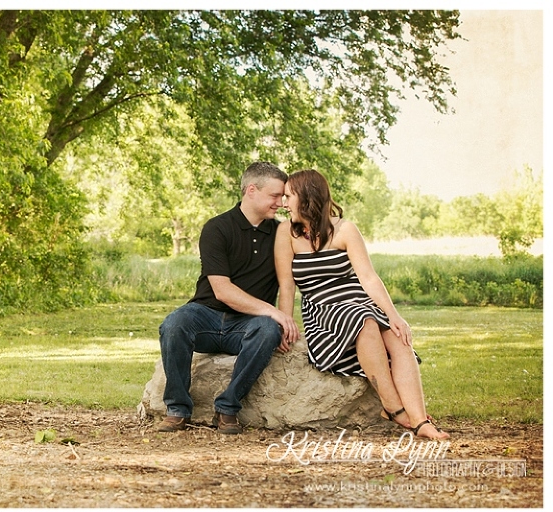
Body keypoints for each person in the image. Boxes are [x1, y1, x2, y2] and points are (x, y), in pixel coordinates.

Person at [274, 169, 449, 440]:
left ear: (307, 197)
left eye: (288, 196)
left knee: (397, 335)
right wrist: (285, 323)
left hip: (358, 301)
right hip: (323, 310)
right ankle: (393, 407)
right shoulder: (286, 232)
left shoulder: (345, 229)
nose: (283, 203)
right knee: (364, 320)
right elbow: (287, 285)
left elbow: (368, 277)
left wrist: (394, 316)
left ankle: (420, 420)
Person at [157, 161, 300, 434]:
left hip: (248, 324)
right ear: (251, 190)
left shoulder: (280, 233)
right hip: (205, 315)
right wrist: (274, 312)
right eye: (274, 195)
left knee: (268, 330)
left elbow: (286, 284)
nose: (281, 203)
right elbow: (222, 290)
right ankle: (177, 409)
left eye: (283, 197)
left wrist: (283, 321)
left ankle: (228, 407)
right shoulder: (218, 228)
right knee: (174, 324)